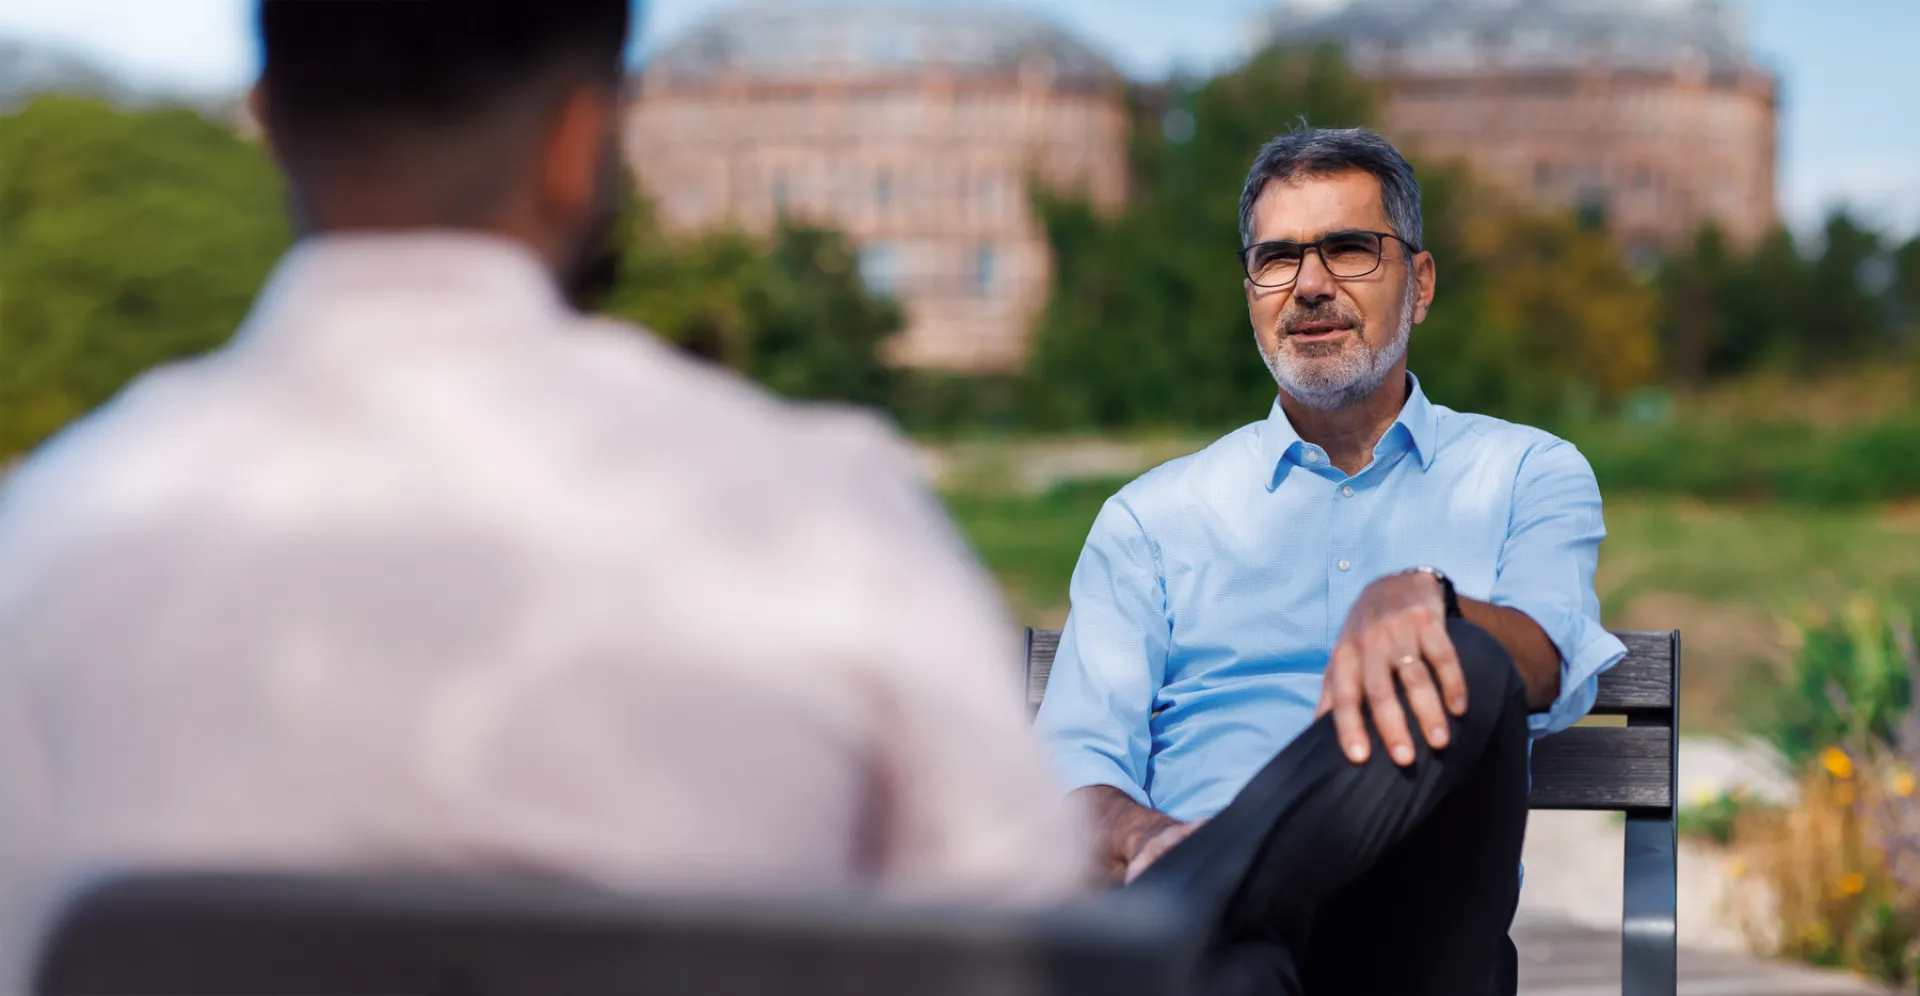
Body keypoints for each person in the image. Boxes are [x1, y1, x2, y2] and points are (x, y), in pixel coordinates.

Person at [0, 0, 1081, 984]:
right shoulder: (826, 512)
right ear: (579, 140)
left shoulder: (48, 537)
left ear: (270, 122)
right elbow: (1029, 951)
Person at [1034, 127, 1627, 996]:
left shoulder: (1527, 472)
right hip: (1220, 964)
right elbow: (1070, 774)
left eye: (1349, 249)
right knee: (1233, 969)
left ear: (1418, 285)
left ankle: (1188, 907)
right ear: (1250, 296)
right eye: (1277, 260)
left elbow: (1543, 659)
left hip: (1420, 944)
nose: (1310, 285)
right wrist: (1142, 839)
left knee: (1460, 650)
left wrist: (1427, 597)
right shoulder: (1151, 522)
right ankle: (1206, 903)